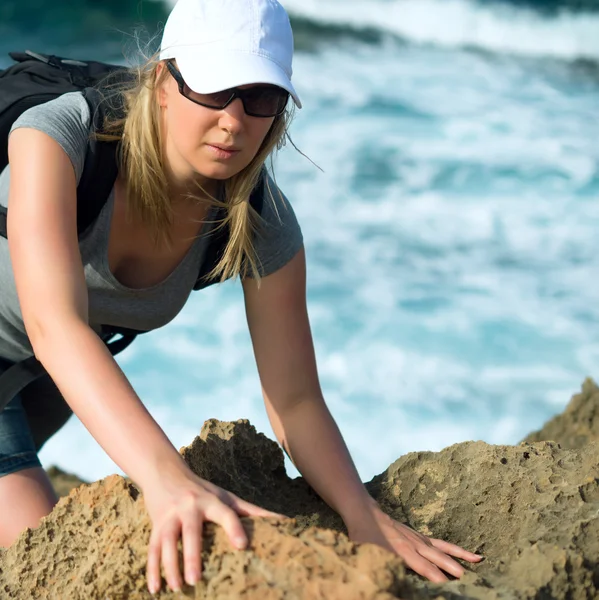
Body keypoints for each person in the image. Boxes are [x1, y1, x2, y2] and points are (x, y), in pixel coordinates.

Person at [0, 0, 483, 594]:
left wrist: (365, 517)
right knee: (40, 558)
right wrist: (168, 479)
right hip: (53, 349)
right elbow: (56, 325)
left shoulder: (259, 220)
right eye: (213, 90)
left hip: (50, 379)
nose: (234, 120)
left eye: (260, 97)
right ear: (164, 82)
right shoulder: (59, 138)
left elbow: (297, 399)